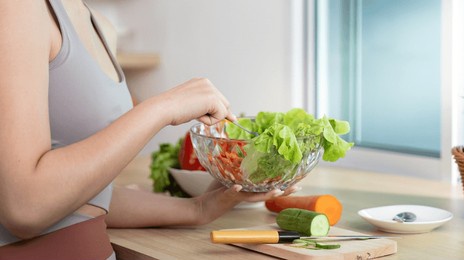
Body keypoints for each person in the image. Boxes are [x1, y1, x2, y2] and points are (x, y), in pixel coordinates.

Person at [0, 1, 297, 259]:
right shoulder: (18, 7)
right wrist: (162, 108)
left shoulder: (101, 26)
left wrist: (199, 209)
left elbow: (86, 197)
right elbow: (24, 208)